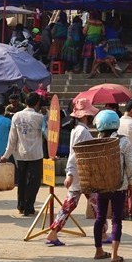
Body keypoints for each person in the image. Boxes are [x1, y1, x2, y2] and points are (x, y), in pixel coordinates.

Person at [46, 99, 99, 246]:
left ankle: (53, 232)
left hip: (79, 175)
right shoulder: (82, 132)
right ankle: (103, 232)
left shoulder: (77, 130)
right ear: (85, 116)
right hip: (83, 174)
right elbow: (75, 154)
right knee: (95, 204)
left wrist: (70, 173)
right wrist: (70, 173)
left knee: (70, 205)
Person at [91, 110, 132, 262]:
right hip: (119, 186)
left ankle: (98, 251)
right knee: (117, 220)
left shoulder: (96, 142)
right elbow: (129, 167)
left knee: (100, 218)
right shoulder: (124, 142)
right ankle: (115, 255)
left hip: (101, 186)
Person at [0, 93, 45, 216]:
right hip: (35, 154)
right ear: (37, 103)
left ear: (25, 101)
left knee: (21, 181)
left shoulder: (16, 116)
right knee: (33, 182)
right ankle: (29, 206)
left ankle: (21, 205)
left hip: (20, 154)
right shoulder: (40, 117)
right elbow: (47, 134)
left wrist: (6, 155)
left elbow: (12, 138)